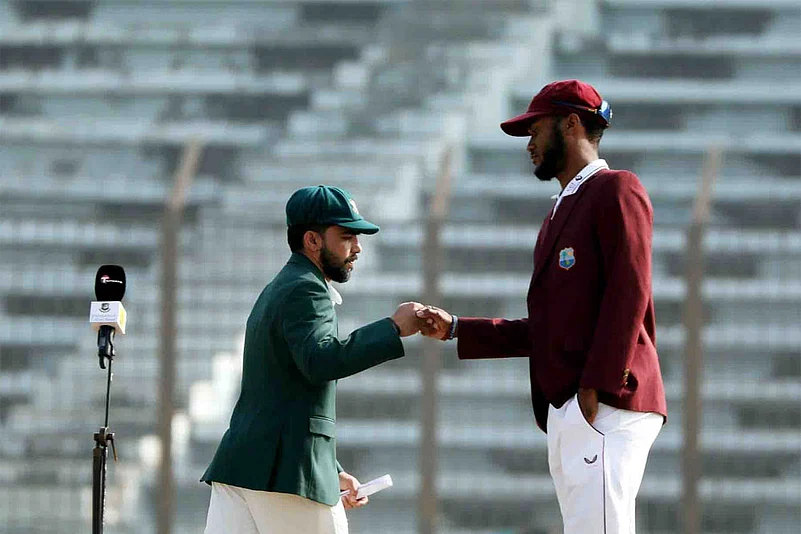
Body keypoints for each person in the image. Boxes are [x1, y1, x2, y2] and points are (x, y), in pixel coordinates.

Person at [418, 79, 667, 533]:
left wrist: (596, 384)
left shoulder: (616, 188)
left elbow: (629, 290)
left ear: (571, 124)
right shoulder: (559, 211)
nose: (529, 143)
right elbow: (551, 328)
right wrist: (457, 328)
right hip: (570, 405)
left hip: (606, 400)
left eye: (536, 129)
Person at [201, 185, 424, 534]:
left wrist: (330, 469)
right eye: (346, 236)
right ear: (312, 240)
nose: (357, 247)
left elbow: (282, 392)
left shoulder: (280, 286)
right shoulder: (307, 288)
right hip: (286, 476)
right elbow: (320, 361)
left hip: (241, 469)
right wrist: (393, 328)